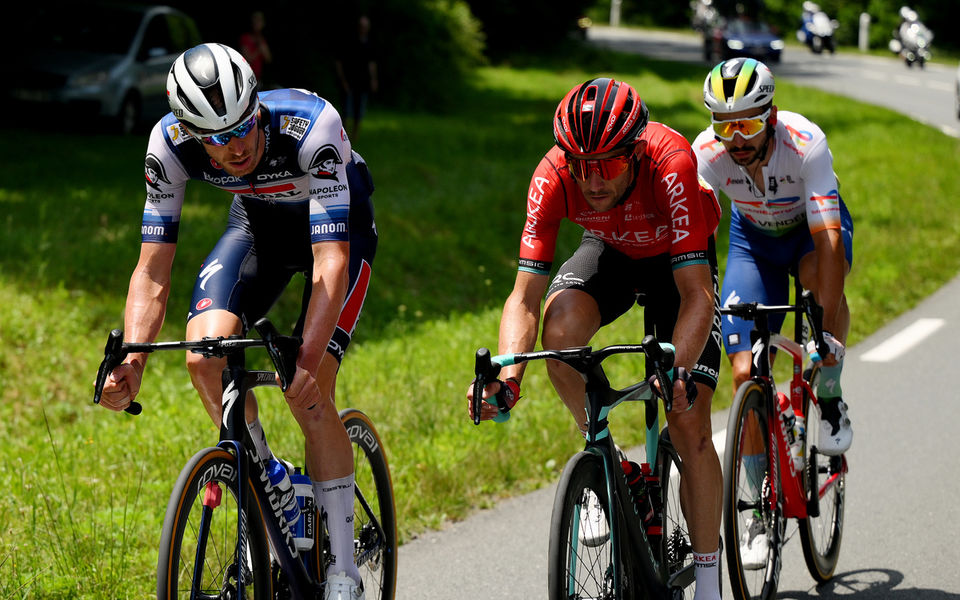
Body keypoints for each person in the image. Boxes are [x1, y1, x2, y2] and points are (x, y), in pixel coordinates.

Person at [97, 43, 376, 600]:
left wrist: (306, 360)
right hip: (256, 228)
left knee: (311, 389)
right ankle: (269, 479)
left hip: (338, 235)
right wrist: (132, 360)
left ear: (256, 105)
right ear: (190, 132)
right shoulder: (167, 145)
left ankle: (343, 571)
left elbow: (331, 262)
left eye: (245, 126)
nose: (237, 146)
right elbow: (152, 270)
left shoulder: (310, 125)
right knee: (204, 356)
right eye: (217, 139)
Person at [467, 77, 725, 600]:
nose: (592, 180)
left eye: (607, 163)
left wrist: (677, 369)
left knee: (688, 419)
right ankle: (614, 468)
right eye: (580, 165)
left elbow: (696, 295)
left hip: (677, 263)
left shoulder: (671, 162)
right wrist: (508, 377)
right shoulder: (552, 176)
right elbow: (524, 298)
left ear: (636, 152)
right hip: (610, 251)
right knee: (559, 338)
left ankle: (709, 580)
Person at [692, 58, 853, 568]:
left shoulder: (806, 143)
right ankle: (759, 512)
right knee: (744, 373)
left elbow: (829, 243)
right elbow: (690, 237)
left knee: (817, 285)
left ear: (773, 116)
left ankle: (830, 393)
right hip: (753, 243)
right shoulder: (706, 154)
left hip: (810, 235)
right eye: (724, 125)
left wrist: (825, 336)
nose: (736, 139)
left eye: (748, 124)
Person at [333, 15, 378, 140]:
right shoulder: (349, 42)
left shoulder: (369, 44)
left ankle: (355, 135)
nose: (363, 29)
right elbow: (339, 61)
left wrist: (373, 79)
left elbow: (371, 63)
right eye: (361, 26)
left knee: (359, 109)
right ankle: (343, 135)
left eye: (365, 26)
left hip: (362, 82)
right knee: (345, 110)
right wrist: (342, 80)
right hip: (348, 81)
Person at [239, 10, 273, 84]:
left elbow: (268, 59)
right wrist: (259, 50)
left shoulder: (262, 39)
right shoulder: (245, 38)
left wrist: (260, 43)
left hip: (259, 79)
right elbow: (247, 60)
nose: (257, 22)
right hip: (247, 78)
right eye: (255, 19)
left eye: (259, 20)